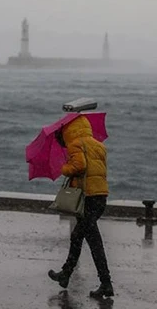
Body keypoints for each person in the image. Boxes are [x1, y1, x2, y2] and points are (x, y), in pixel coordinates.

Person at [48, 115, 114, 298]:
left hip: (87, 198)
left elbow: (79, 165)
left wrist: (64, 168)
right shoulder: (98, 145)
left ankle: (106, 283)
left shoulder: (76, 144)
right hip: (100, 196)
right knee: (78, 236)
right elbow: (98, 170)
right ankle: (66, 274)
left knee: (93, 242)